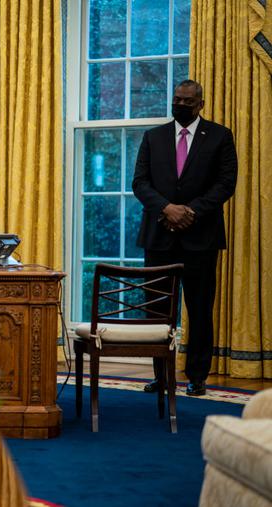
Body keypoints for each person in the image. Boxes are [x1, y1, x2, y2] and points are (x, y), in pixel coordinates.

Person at [132, 79, 238, 396]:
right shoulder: (153, 138)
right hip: (158, 237)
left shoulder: (219, 136)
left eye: (187, 101)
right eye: (177, 99)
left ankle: (197, 376)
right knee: (157, 312)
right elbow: (140, 183)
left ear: (200, 104)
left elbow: (225, 183)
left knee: (200, 309)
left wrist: (189, 211)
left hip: (200, 238)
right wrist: (166, 208)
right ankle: (161, 376)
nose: (180, 104)